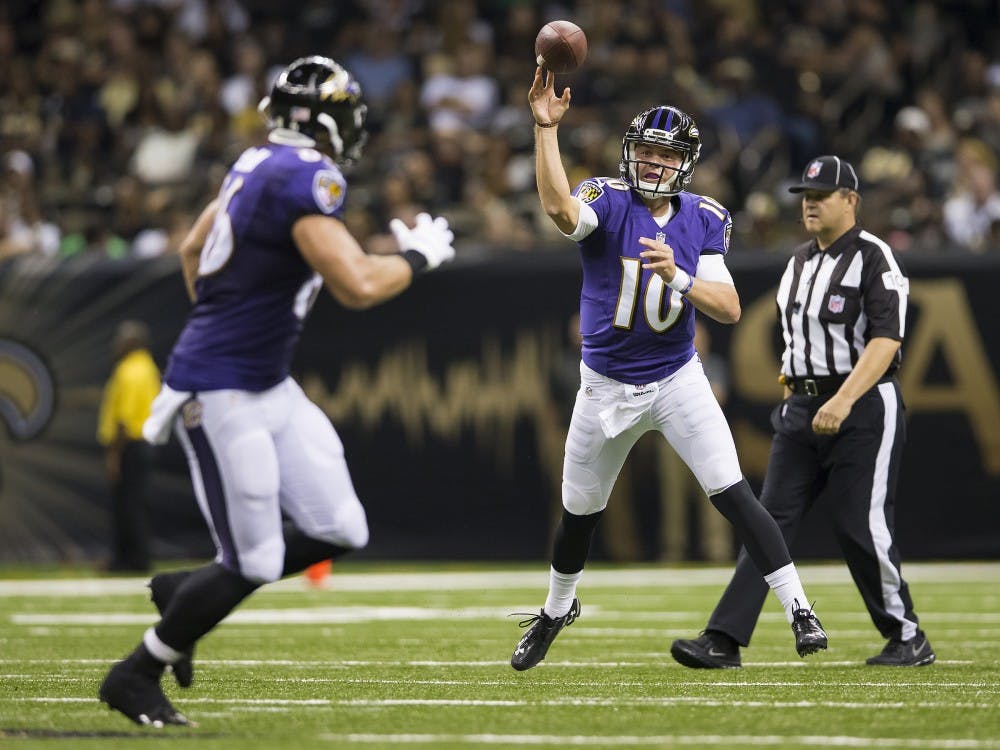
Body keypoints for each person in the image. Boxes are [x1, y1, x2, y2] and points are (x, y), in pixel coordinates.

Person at [98, 56, 455, 727]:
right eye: (346, 113)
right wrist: (419, 258)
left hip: (266, 383)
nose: (353, 127)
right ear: (320, 119)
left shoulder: (257, 163)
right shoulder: (305, 177)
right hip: (222, 390)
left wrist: (229, 320)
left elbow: (190, 250)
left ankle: (189, 590)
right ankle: (136, 672)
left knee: (341, 526)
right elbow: (358, 285)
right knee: (257, 559)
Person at [510, 67, 827, 671]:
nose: (653, 164)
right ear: (630, 154)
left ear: (685, 163)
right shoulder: (607, 200)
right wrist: (545, 129)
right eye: (646, 152)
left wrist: (678, 277)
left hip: (677, 377)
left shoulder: (704, 217)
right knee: (579, 513)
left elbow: (730, 308)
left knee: (734, 494)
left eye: (664, 155)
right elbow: (556, 204)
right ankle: (555, 610)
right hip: (603, 385)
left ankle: (800, 610)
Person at [671, 155, 934, 669]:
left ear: (851, 201)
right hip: (801, 408)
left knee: (861, 523)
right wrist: (799, 392)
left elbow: (887, 340)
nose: (810, 204)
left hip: (862, 404)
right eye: (806, 197)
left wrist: (842, 398)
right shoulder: (799, 259)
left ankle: (907, 636)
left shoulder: (875, 257)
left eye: (821, 196)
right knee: (766, 522)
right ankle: (724, 638)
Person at [96, 320, 161, 573]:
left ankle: (130, 560)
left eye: (122, 339)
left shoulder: (130, 370)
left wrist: (114, 454)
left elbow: (123, 418)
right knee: (136, 504)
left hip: (130, 445)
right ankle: (134, 557)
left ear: (133, 342)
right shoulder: (148, 367)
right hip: (144, 444)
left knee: (127, 506)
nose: (117, 344)